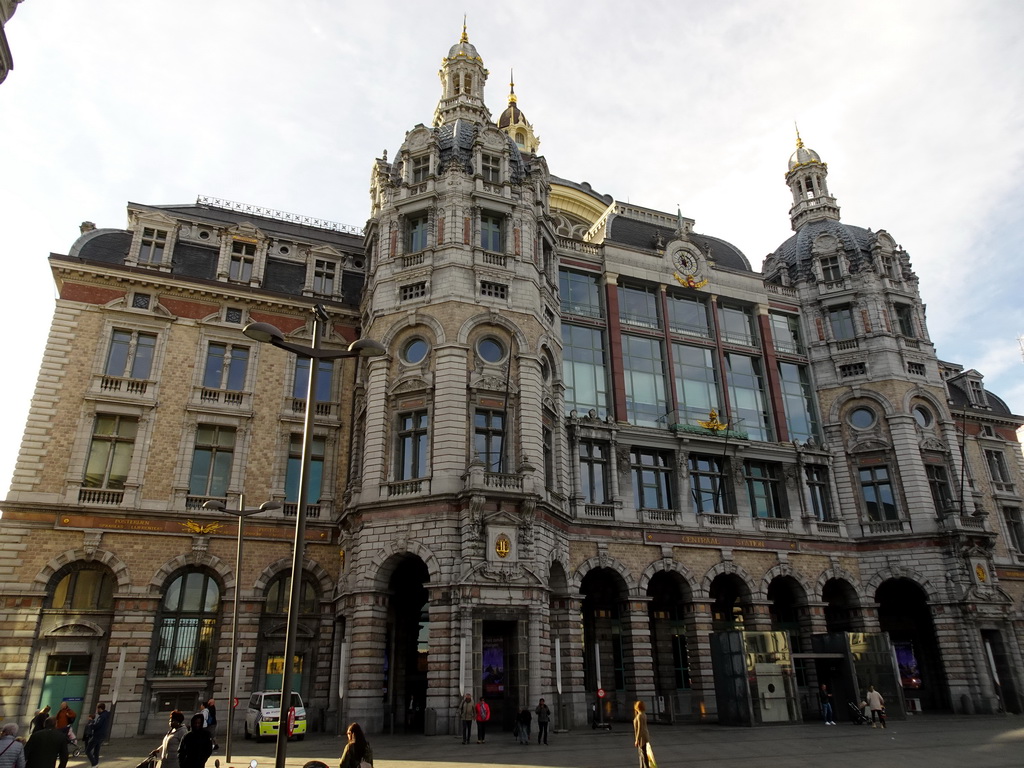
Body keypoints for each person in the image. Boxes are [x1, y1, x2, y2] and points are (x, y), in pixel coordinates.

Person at [633, 700, 650, 768]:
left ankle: (645, 766)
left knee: (643, 753)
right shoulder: (644, 714)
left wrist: (637, 739)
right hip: (645, 735)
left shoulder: (639, 716)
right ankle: (642, 766)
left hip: (642, 737)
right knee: (642, 753)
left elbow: (640, 728)